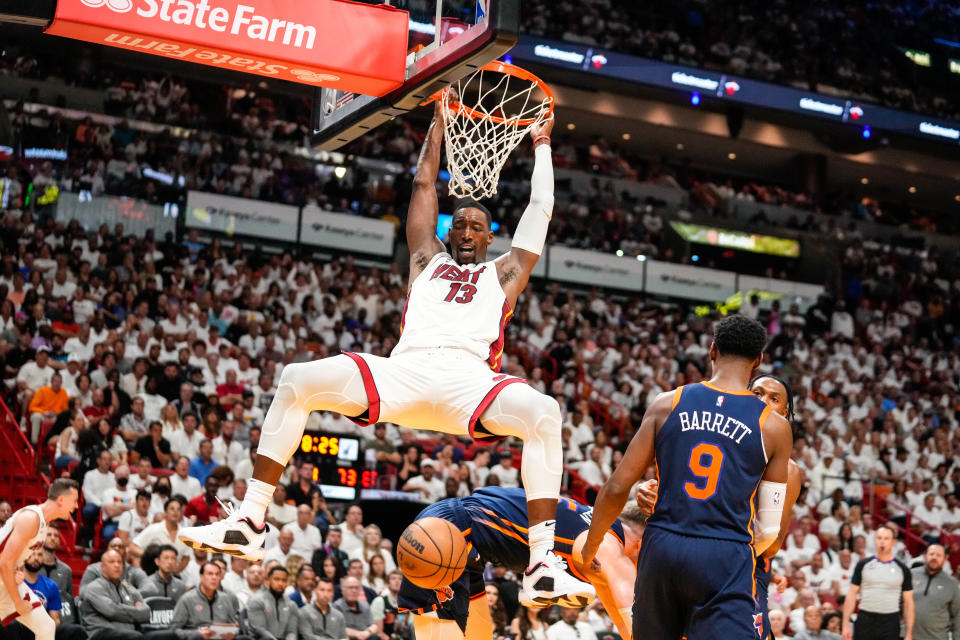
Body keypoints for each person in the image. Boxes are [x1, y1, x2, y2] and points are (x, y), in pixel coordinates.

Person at [178, 107, 590, 606]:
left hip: (470, 382)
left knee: (545, 412)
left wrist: (542, 146)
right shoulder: (425, 260)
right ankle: (250, 519)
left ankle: (543, 564)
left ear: (488, 236)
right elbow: (422, 187)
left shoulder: (505, 273)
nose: (464, 231)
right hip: (405, 370)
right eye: (457, 223)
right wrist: (438, 126)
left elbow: (540, 209)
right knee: (295, 379)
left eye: (475, 226)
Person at [581, 314, 793, 640]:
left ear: (711, 351)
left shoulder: (667, 403)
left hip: (664, 543)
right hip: (725, 552)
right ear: (758, 360)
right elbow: (769, 529)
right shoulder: (775, 426)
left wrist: (592, 544)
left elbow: (617, 487)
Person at [634, 372, 804, 640]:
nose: (764, 401)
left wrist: (721, 547)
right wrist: (646, 490)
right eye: (757, 393)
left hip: (741, 565)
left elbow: (771, 544)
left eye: (774, 398)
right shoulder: (722, 440)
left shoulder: (790, 471)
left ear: (786, 411)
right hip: (700, 553)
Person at [397, 487, 644, 640]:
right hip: (449, 532)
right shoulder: (607, 545)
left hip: (469, 546)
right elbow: (638, 616)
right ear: (646, 539)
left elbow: (626, 626)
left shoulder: (597, 537)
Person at [0, 479, 79, 640]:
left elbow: (15, 557)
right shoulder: (30, 518)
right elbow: (5, 562)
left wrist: (19, 570)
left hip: (5, 578)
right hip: (3, 574)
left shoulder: (44, 523)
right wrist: (18, 602)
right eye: (75, 501)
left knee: (46, 627)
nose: (77, 506)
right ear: (61, 499)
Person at [79, 549, 177, 640]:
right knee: (134, 636)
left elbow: (146, 612)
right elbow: (112, 611)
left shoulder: (128, 587)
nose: (117, 565)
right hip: (101, 632)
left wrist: (121, 608)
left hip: (130, 631)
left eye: (119, 562)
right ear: (103, 567)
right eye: (112, 562)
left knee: (168, 635)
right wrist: (135, 610)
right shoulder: (94, 588)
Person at [841, 524, 914, 640]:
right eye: (879, 538)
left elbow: (908, 602)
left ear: (893, 542)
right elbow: (851, 594)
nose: (882, 542)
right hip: (866, 618)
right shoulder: (863, 564)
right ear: (875, 541)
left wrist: (909, 633)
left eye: (886, 538)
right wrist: (845, 625)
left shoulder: (903, 569)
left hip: (890, 621)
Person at [14, 546, 86, 640]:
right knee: (13, 625)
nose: (36, 558)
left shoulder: (51, 585)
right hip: (21, 626)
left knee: (77, 630)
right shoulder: (14, 581)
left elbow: (56, 620)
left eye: (39, 555)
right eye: (32, 554)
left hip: (43, 628)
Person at [170, 561, 250, 640]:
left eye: (217, 574)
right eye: (210, 574)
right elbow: (174, 630)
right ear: (201, 576)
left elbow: (234, 625)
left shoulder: (225, 598)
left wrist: (233, 634)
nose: (214, 577)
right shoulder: (187, 599)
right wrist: (196, 633)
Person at [909, 544, 960, 640]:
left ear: (945, 560)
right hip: (908, 636)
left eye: (938, 555)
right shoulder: (911, 575)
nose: (934, 557)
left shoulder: (952, 584)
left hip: (936, 637)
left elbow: (958, 615)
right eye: (931, 554)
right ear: (924, 557)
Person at [246, 566, 298, 640]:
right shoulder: (257, 600)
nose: (280, 583)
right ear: (268, 581)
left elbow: (292, 632)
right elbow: (259, 629)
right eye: (276, 579)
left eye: (284, 580)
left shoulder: (292, 605)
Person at [371, 570, 405, 640]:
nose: (397, 581)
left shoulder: (408, 604)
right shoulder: (379, 601)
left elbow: (412, 628)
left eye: (400, 579)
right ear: (387, 584)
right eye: (393, 578)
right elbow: (379, 632)